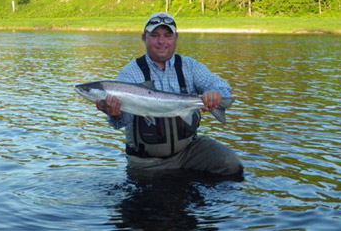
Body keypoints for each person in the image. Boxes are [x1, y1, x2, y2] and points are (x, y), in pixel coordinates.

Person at [95, 12, 243, 176]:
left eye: (167, 35)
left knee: (231, 165)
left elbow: (221, 86)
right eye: (155, 35)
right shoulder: (130, 73)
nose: (161, 41)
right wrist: (115, 115)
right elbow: (121, 122)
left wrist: (215, 94)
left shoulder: (189, 66)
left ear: (176, 38)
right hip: (146, 163)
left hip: (188, 152)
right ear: (144, 38)